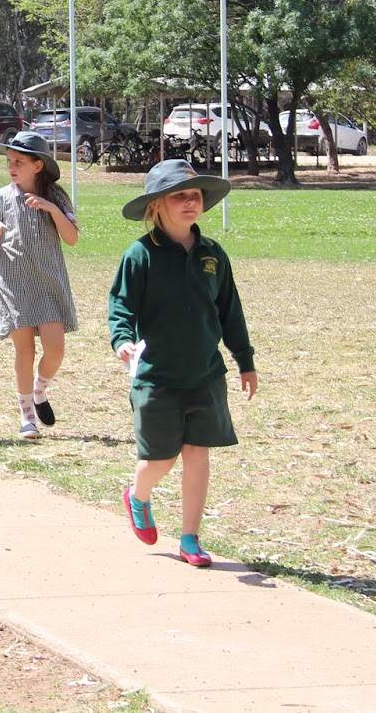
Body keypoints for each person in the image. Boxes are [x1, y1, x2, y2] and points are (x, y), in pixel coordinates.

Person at [108, 159, 258, 568]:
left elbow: (230, 311)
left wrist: (244, 360)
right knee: (161, 459)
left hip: (205, 375)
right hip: (156, 378)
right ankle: (137, 496)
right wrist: (122, 340)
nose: (190, 202)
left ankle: (190, 537)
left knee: (197, 455)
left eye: (195, 195)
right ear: (157, 204)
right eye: (179, 196)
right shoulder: (140, 255)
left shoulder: (213, 254)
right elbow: (121, 305)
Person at [0, 132, 80, 440]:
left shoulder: (57, 196)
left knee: (55, 350)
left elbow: (72, 238)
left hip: (49, 282)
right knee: (24, 350)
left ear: (38, 166)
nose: (11, 167)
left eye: (19, 162)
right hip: (14, 284)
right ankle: (27, 417)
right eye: (9, 162)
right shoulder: (0, 198)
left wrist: (52, 209)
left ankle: (39, 390)